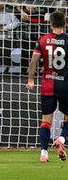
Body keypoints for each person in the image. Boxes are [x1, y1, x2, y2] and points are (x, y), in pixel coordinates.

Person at [26, 11, 68, 163]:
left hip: (48, 85)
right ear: (65, 23)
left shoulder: (43, 40)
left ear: (50, 23)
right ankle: (62, 139)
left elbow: (33, 61)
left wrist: (31, 80)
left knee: (46, 121)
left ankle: (44, 153)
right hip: (65, 85)